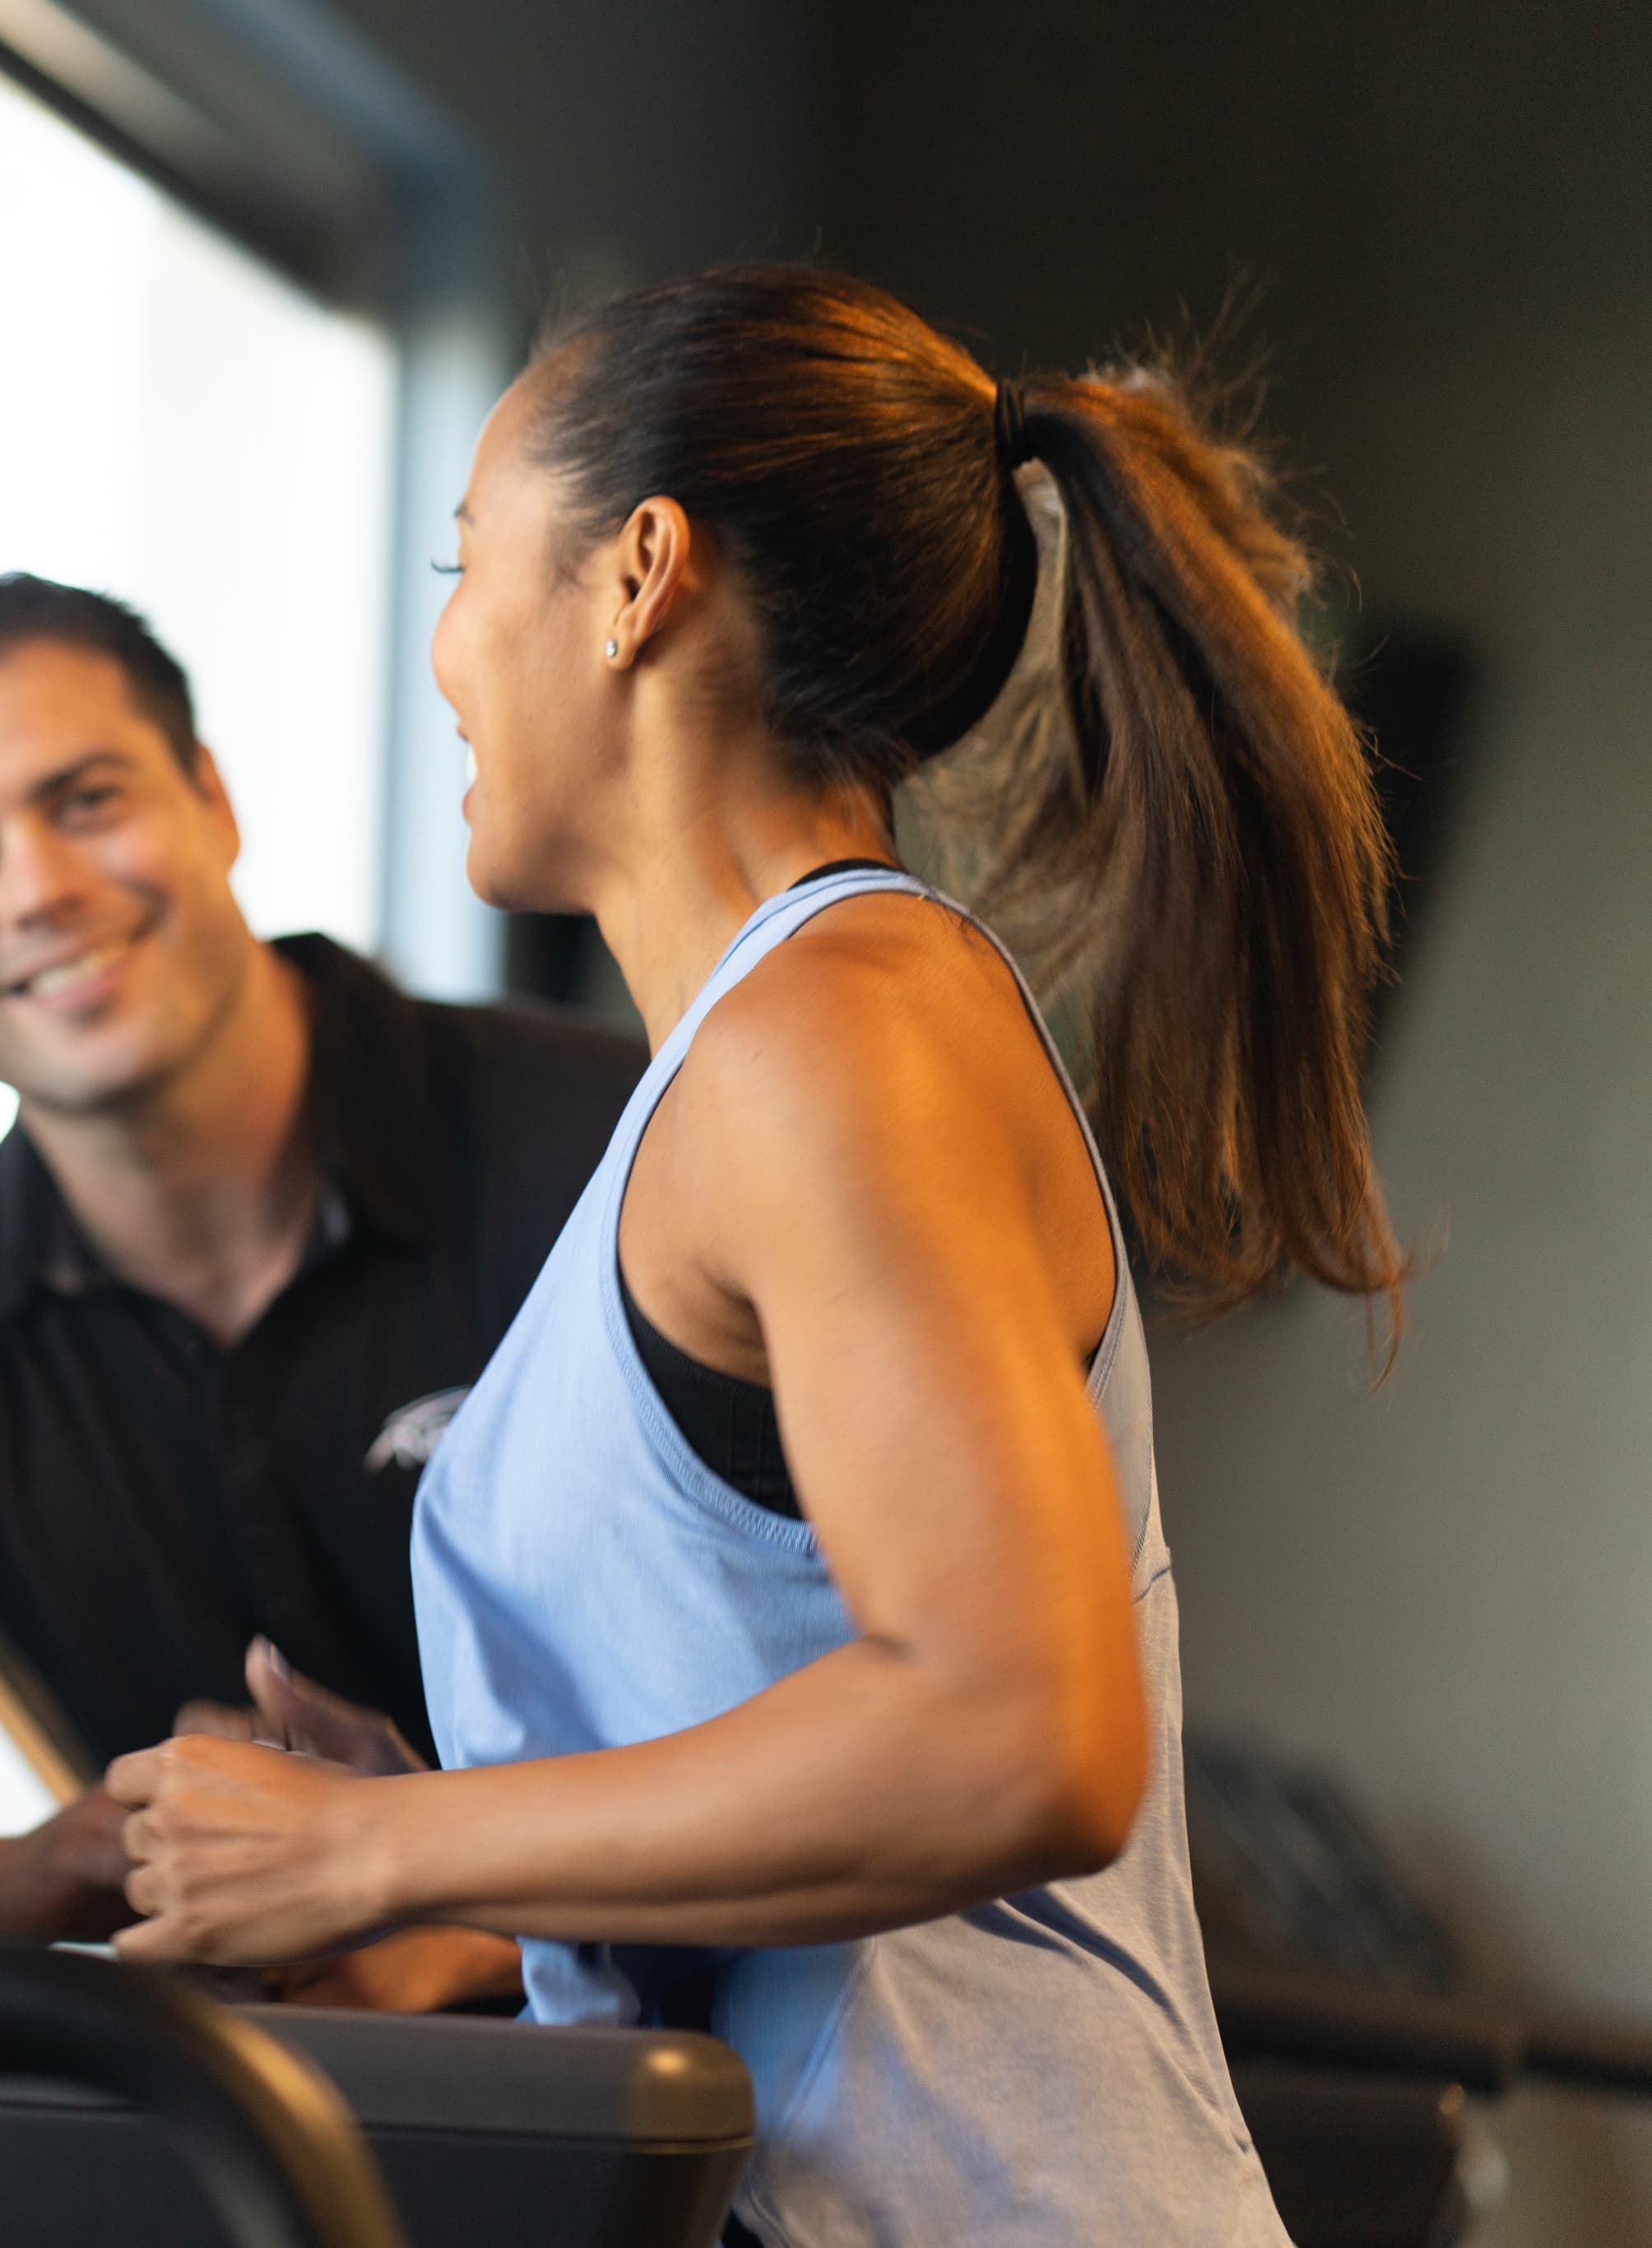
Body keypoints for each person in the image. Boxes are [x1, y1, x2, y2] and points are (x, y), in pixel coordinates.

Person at [104, 267, 1403, 2241]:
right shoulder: (741, 1055)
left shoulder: (839, 1026)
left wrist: (381, 1843)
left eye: (468, 561)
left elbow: (1009, 1736)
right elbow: (801, 1703)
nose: (443, 643)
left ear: (636, 577)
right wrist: (464, 1844)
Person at [0, 574, 643, 2008]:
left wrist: (440, 1903)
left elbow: (872, 1710)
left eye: (86, 800)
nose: (39, 887)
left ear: (212, 801)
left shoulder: (612, 1151)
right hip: (278, 2145)